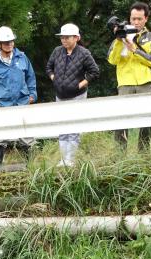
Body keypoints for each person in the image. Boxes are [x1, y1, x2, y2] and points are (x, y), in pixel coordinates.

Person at [0, 26, 37, 172]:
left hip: (22, 102)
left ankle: (30, 167)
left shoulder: (22, 57)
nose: (9, 44)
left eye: (11, 41)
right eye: (6, 42)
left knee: (27, 137)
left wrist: (32, 95)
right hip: (2, 104)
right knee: (0, 138)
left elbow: (31, 77)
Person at [108, 2, 151, 151]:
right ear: (129, 18)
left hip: (145, 84)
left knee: (146, 121)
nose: (136, 22)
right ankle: (119, 156)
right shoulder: (121, 35)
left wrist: (135, 50)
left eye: (139, 19)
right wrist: (119, 42)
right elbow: (112, 60)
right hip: (124, 84)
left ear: (146, 19)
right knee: (121, 121)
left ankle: (144, 157)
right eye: (133, 19)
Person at [47, 23, 99, 167]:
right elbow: (49, 67)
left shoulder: (84, 53)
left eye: (67, 37)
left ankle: (72, 159)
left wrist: (80, 84)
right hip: (60, 95)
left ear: (76, 38)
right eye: (62, 37)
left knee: (74, 126)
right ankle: (63, 159)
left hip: (77, 95)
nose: (64, 40)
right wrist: (54, 78)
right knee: (62, 126)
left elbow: (94, 71)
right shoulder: (57, 51)